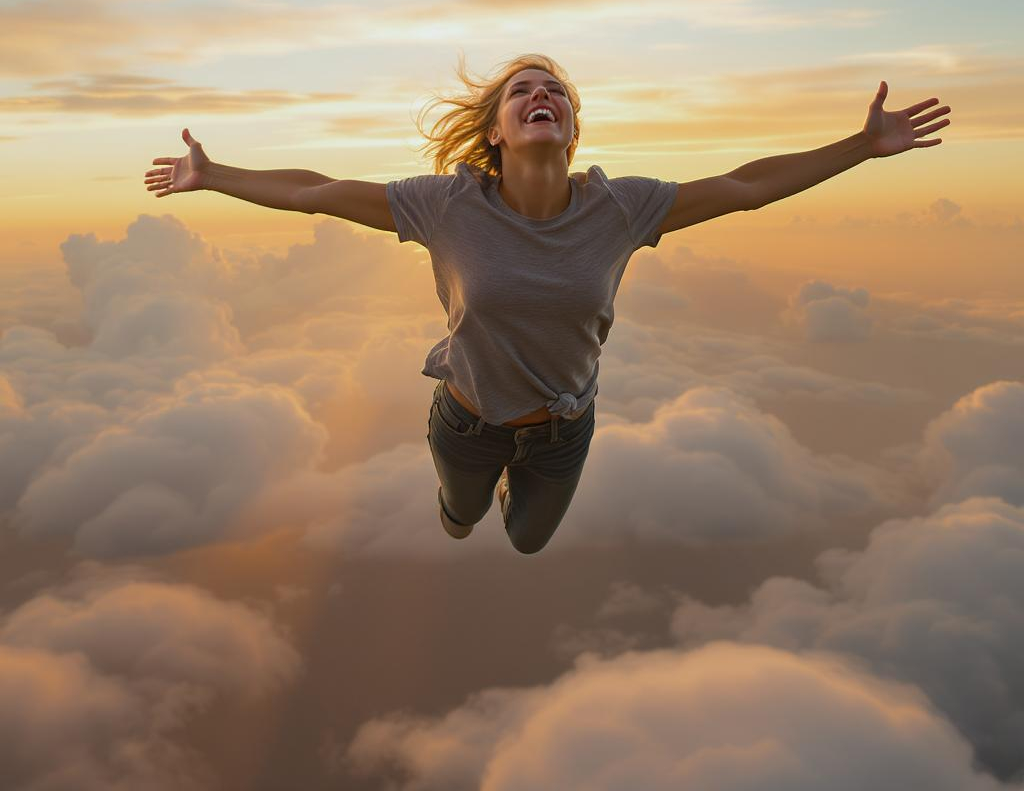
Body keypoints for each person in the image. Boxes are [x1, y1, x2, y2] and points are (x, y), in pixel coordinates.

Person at [144, 53, 951, 553]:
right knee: (459, 514)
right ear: (496, 129)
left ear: (571, 128)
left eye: (556, 92)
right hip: (464, 416)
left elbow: (743, 187)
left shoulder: (621, 206)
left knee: (527, 542)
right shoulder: (446, 204)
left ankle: (508, 499)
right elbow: (317, 192)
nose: (543, 96)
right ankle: (463, 502)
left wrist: (861, 147)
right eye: (523, 91)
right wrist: (215, 176)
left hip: (564, 427)